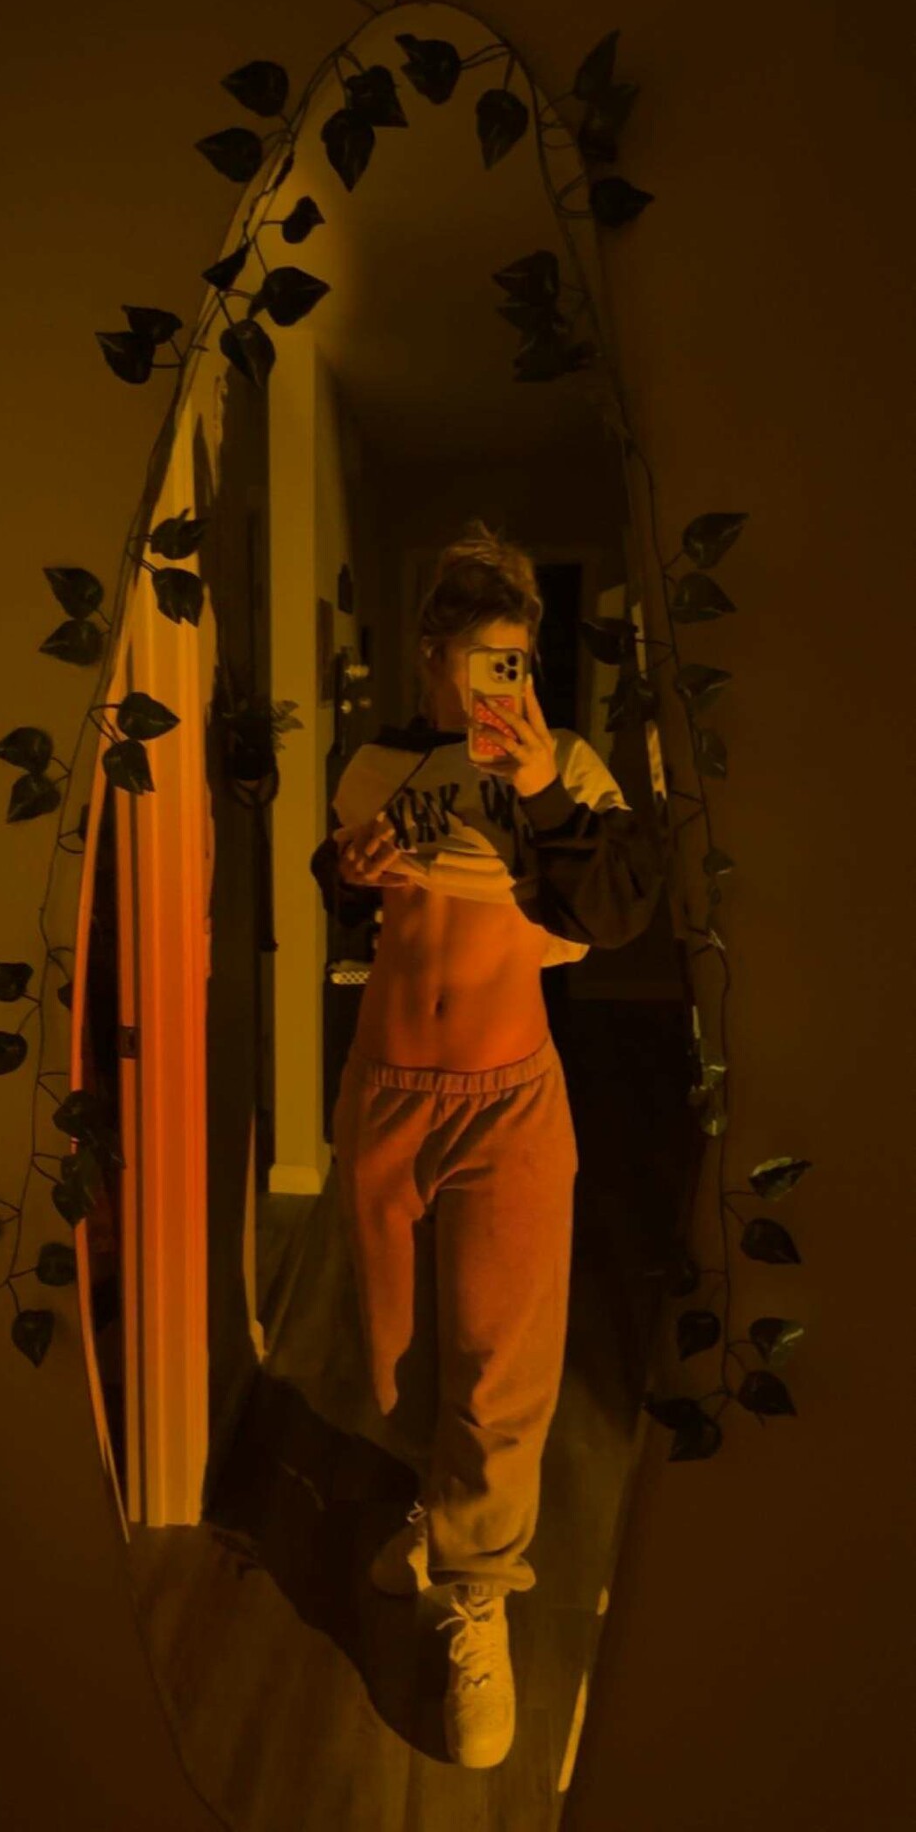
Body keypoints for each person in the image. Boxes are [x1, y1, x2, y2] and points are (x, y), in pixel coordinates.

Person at [309, 520, 666, 1768]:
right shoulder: (373, 765)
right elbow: (344, 896)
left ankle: (478, 1597)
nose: (493, 688)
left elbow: (612, 909)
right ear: (429, 659)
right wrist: (346, 873)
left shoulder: (565, 768)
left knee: (501, 1366)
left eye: (512, 662)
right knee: (396, 1358)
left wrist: (535, 784)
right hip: (383, 1092)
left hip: (507, 1099)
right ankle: (436, 1504)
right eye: (475, 664)